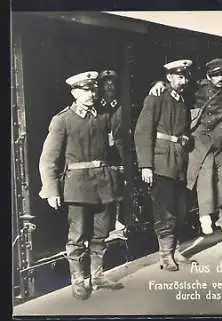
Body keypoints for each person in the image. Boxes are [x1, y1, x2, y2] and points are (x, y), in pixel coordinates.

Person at [39, 71, 125, 300]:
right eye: (86, 89)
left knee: (101, 234)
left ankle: (97, 276)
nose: (91, 93)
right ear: (74, 92)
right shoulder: (63, 120)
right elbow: (49, 158)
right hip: (77, 187)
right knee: (76, 236)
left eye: (93, 89)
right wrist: (51, 190)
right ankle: (78, 280)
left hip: (104, 184)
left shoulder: (103, 115)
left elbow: (114, 144)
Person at [149, 58, 222, 236]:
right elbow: (175, 85)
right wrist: (158, 83)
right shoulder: (198, 89)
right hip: (201, 139)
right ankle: (205, 217)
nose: (220, 79)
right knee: (203, 175)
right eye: (215, 75)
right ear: (208, 76)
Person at [134, 59, 196, 271]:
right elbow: (142, 131)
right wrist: (146, 165)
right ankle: (165, 254)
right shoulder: (156, 97)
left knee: (180, 209)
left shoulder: (182, 101)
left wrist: (185, 138)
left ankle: (176, 250)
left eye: (185, 76)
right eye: (179, 76)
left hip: (178, 161)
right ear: (168, 77)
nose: (183, 80)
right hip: (160, 162)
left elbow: (184, 129)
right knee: (165, 210)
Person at [98, 69, 127, 234]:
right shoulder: (96, 105)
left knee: (118, 186)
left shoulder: (121, 105)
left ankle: (117, 220)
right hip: (101, 152)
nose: (109, 87)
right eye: (105, 83)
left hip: (118, 152)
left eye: (112, 83)